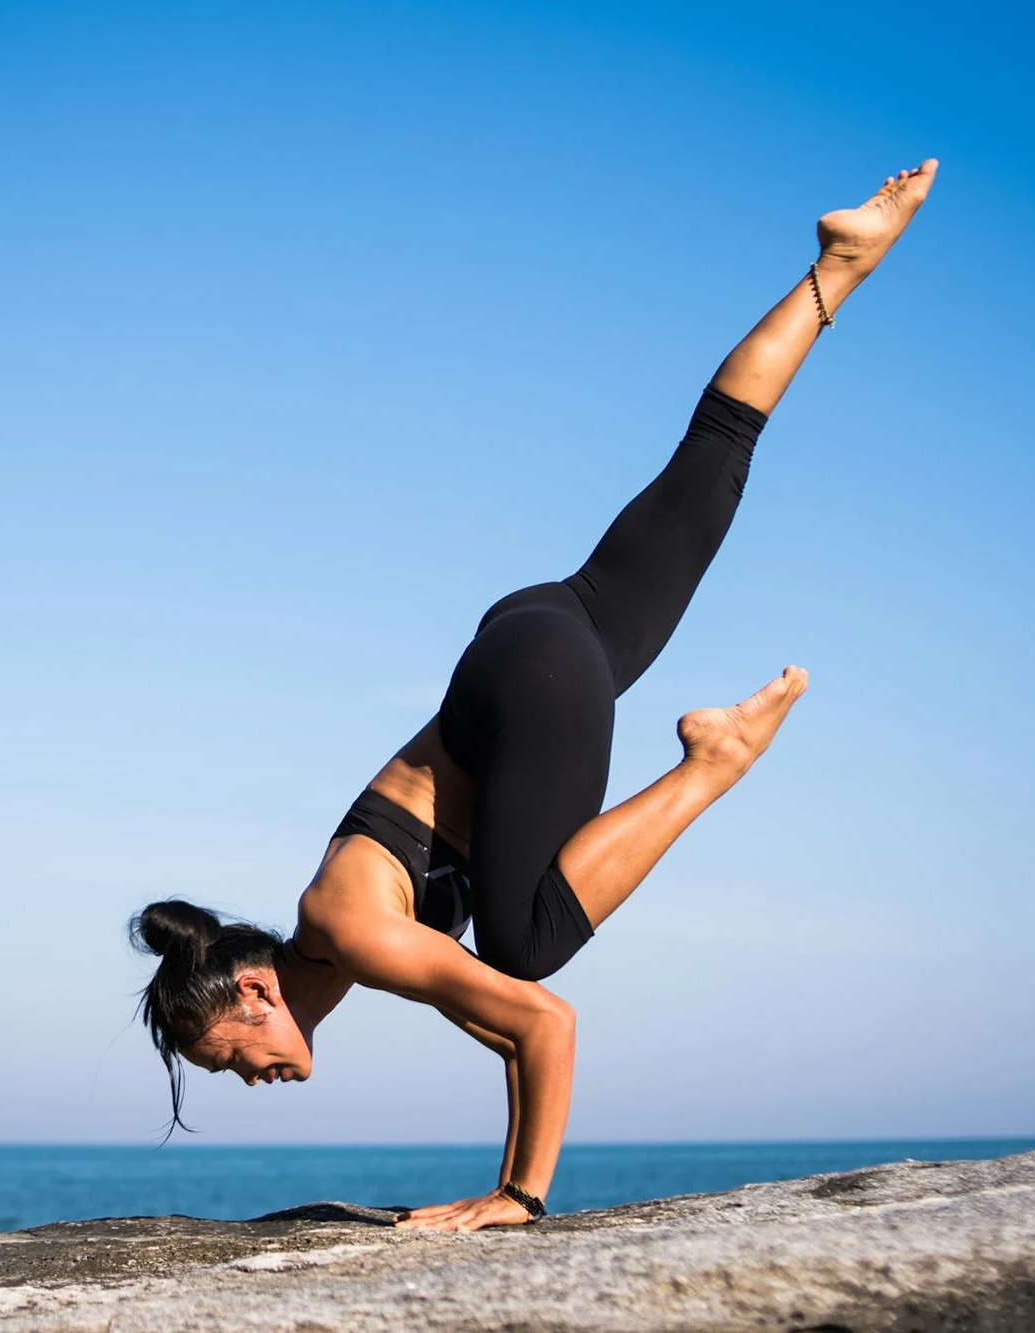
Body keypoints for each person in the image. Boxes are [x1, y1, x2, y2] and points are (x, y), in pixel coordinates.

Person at [128, 161, 939, 1232]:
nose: (244, 1078)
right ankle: (839, 265)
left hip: (532, 688)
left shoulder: (349, 931)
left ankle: (710, 763)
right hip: (533, 637)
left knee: (522, 945)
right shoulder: (332, 946)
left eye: (227, 1059)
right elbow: (496, 1030)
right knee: (708, 464)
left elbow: (539, 1020)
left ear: (253, 995)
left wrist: (515, 1194)